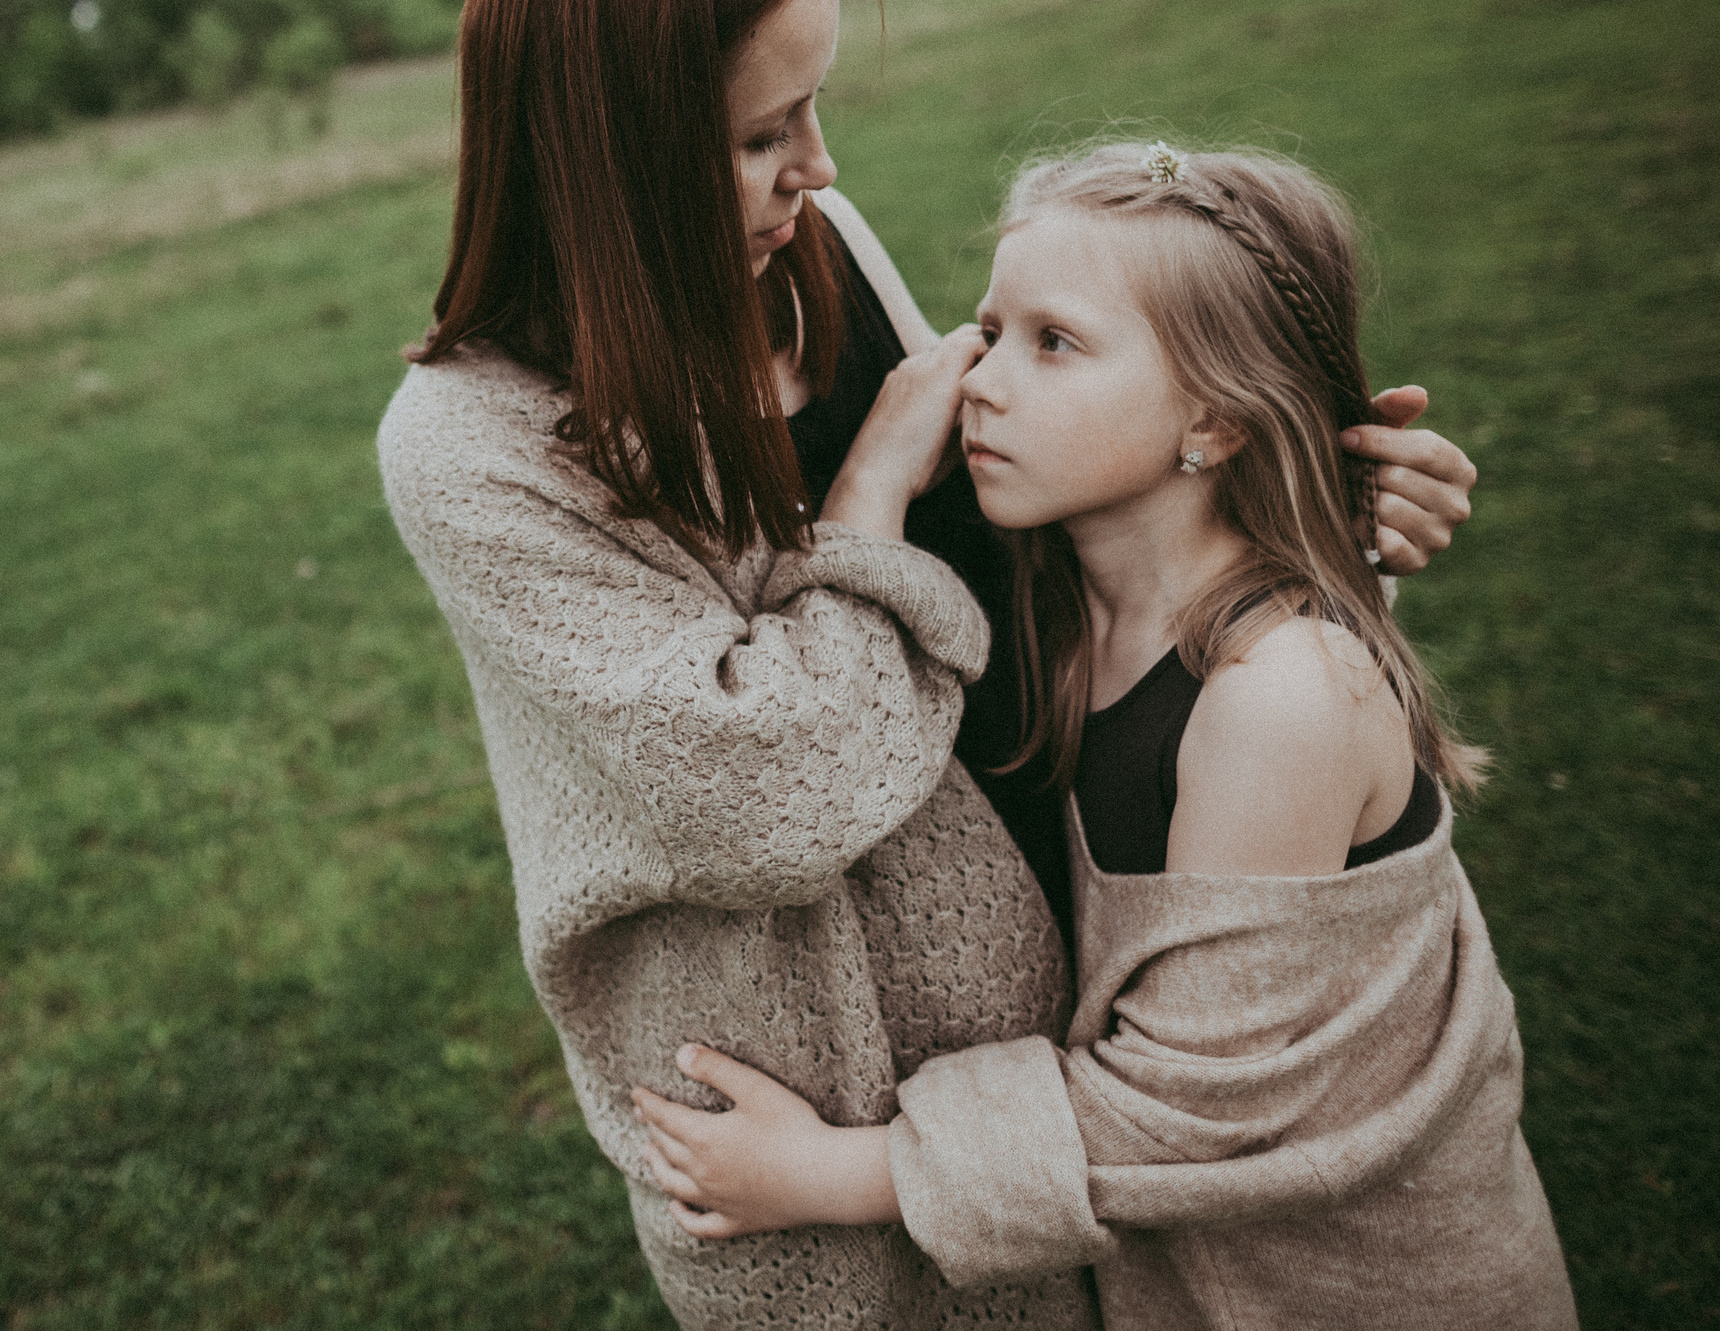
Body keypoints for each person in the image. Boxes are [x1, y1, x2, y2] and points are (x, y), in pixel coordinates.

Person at [375, 0, 1478, 1330]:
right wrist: (871, 495)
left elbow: (1043, 548)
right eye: (765, 134)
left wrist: (1293, 512)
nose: (819, 171)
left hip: (1097, 1060)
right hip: (815, 1138)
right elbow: (764, 791)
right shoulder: (476, 442)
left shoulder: (817, 247)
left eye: (814, 109)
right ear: (610, 150)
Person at [632, 144, 1574, 1329]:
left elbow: (1196, 1104)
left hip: (1359, 1285)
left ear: (1216, 419)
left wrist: (829, 1173)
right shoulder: (1061, 606)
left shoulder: (1275, 699)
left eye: (1055, 343)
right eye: (990, 329)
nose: (977, 380)